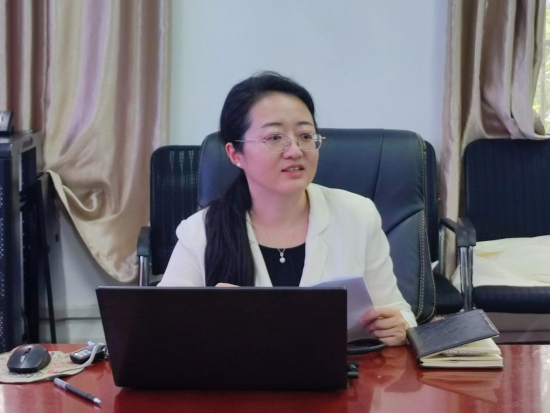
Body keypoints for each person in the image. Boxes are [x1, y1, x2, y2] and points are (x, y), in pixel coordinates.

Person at [159, 72, 416, 346]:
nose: (295, 150)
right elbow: (161, 327)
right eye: (274, 137)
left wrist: (399, 325)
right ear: (235, 154)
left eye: (305, 135)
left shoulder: (358, 214)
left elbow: (399, 312)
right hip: (239, 371)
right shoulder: (200, 231)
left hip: (343, 369)